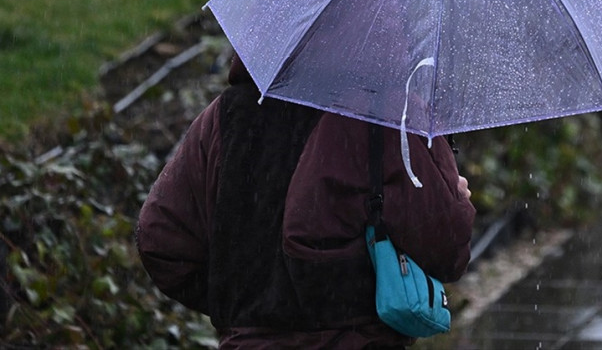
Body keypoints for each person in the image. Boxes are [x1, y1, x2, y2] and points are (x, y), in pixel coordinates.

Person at [136, 55, 476, 348]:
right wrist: (455, 197)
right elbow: (446, 247)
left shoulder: (229, 115)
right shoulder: (385, 115)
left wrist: (246, 308)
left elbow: (162, 240)